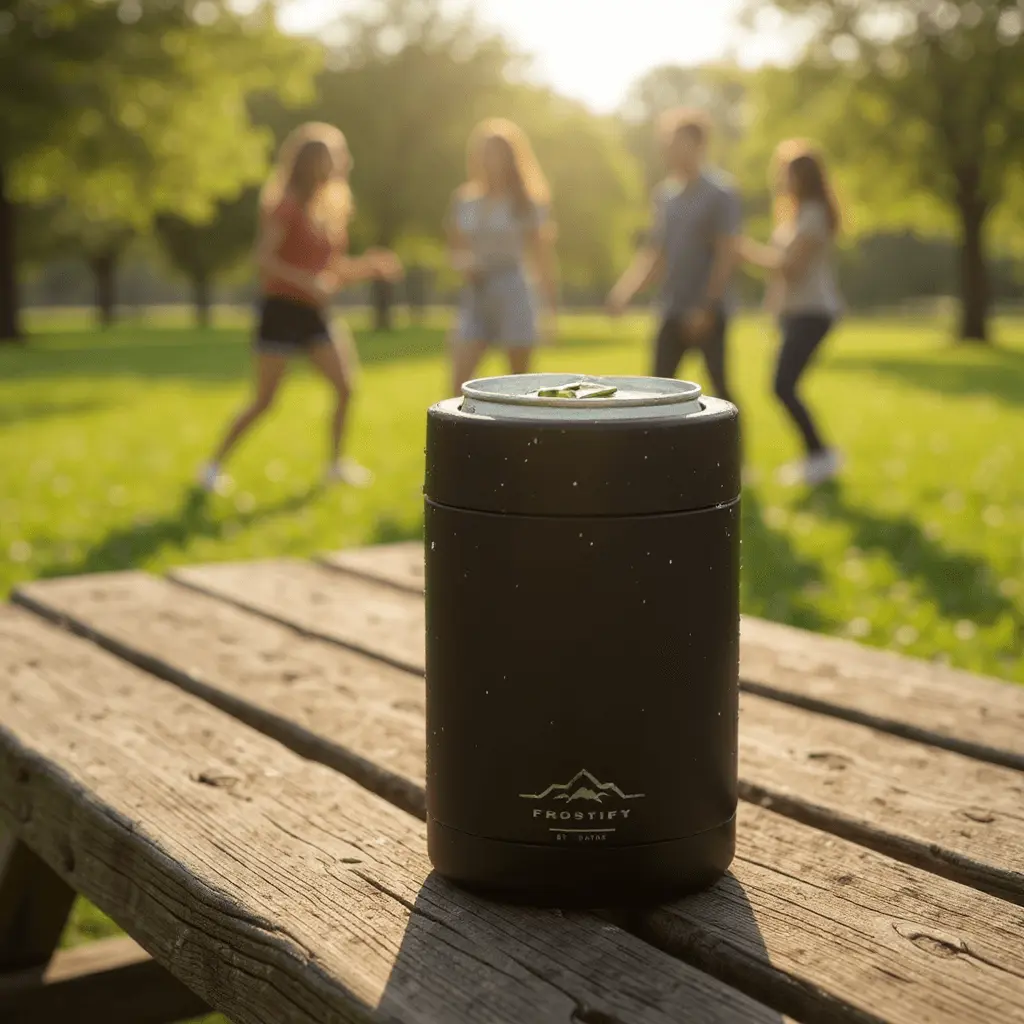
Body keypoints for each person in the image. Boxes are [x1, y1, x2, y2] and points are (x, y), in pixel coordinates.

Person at [199, 122, 402, 493]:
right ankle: (212, 466)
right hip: (281, 311)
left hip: (314, 315)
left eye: (335, 157)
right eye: (326, 158)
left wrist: (369, 268)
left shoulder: (330, 210)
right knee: (264, 401)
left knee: (345, 386)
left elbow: (332, 272)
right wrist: (306, 281)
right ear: (306, 163)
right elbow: (263, 260)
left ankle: (336, 465)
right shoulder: (286, 205)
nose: (334, 164)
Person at [607, 108, 741, 404]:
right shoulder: (665, 196)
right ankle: (658, 451)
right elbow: (656, 253)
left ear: (698, 145)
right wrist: (625, 291)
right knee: (656, 390)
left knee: (721, 387)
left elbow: (726, 254)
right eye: (668, 143)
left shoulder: (721, 193)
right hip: (672, 307)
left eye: (677, 143)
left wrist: (707, 307)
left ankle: (733, 450)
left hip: (709, 311)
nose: (669, 150)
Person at [740, 140, 843, 486]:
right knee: (784, 386)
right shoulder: (798, 214)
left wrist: (745, 251)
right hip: (797, 313)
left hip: (814, 312)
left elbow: (791, 268)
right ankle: (818, 455)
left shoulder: (813, 215)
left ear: (803, 177)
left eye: (787, 173)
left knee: (783, 385)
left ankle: (821, 454)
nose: (782, 179)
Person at [446, 118, 558, 395]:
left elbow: (543, 258)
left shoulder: (526, 203)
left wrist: (550, 310)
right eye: (483, 153)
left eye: (495, 153)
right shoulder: (464, 200)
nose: (488, 160)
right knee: (457, 382)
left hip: (513, 290)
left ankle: (520, 436)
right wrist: (464, 264)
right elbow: (455, 250)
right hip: (477, 293)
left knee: (519, 384)